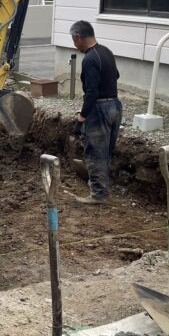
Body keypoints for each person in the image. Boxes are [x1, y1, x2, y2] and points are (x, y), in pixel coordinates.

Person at [71, 20, 122, 204]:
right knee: (106, 151)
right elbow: (116, 75)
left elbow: (91, 92)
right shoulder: (106, 51)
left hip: (100, 109)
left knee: (95, 153)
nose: (74, 45)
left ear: (78, 37)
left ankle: (99, 194)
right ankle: (101, 187)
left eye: (74, 40)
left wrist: (82, 117)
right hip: (115, 106)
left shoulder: (89, 59)